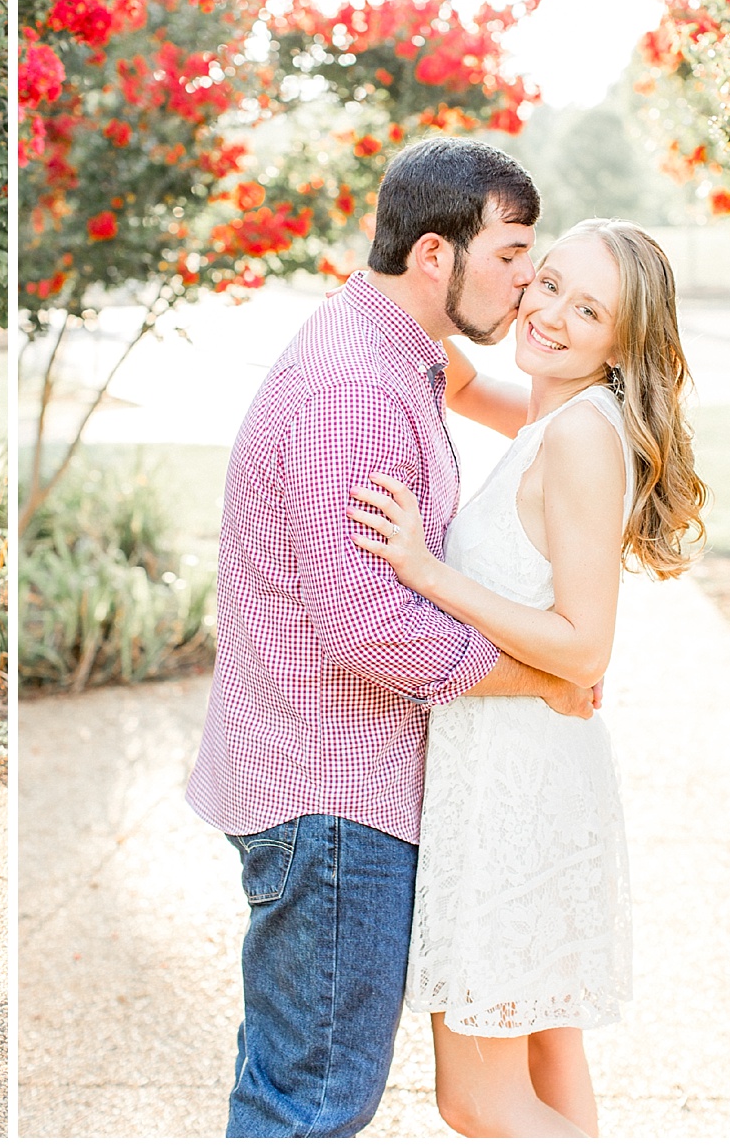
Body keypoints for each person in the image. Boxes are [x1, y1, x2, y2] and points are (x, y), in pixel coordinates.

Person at [185, 137, 601, 1137]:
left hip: (330, 775)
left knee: (293, 1088)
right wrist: (536, 678)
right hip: (332, 790)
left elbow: (484, 395)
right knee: (310, 1104)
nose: (527, 283)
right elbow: (368, 621)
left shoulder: (386, 347)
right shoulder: (357, 388)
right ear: (432, 256)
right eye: (511, 256)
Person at [349, 219, 705, 1137]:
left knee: (478, 1099)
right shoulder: (553, 413)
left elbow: (585, 649)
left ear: (625, 343)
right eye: (544, 282)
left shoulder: (581, 438)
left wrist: (430, 573)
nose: (548, 313)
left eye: (587, 309)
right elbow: (455, 375)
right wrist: (393, 274)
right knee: (548, 1056)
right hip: (518, 767)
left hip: (518, 789)